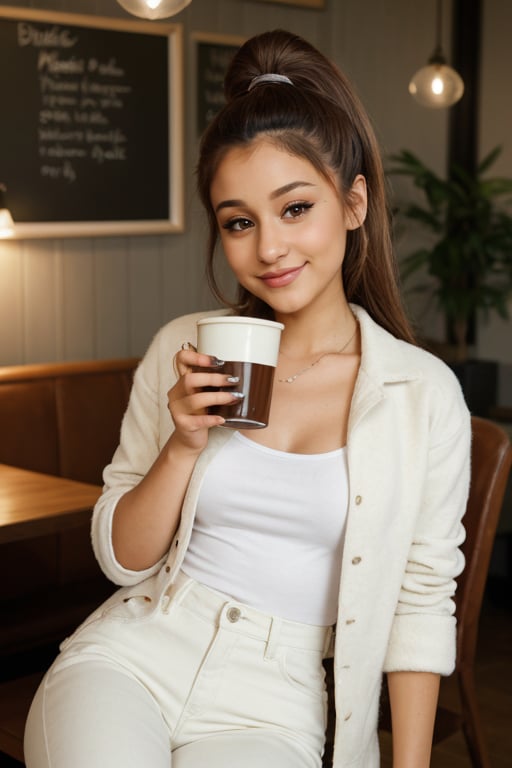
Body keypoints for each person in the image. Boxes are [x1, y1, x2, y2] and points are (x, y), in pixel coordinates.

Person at [24, 29, 470, 768]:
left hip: (278, 695)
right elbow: (124, 560)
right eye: (239, 222)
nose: (268, 248)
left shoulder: (421, 397)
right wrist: (184, 443)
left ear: (354, 203)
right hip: (136, 651)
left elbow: (421, 604)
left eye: (295, 208)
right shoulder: (183, 349)